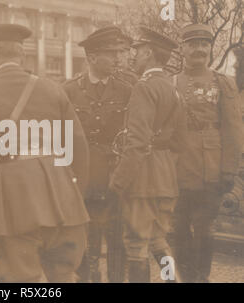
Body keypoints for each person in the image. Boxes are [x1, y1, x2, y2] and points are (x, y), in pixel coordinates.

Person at [0, 23, 90, 282]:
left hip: (13, 203)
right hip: (63, 202)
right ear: (22, 55)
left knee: (20, 281)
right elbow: (78, 150)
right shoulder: (53, 89)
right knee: (64, 278)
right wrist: (73, 196)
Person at [108, 27, 188, 282]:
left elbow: (138, 143)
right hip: (165, 178)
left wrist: (118, 181)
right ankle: (173, 281)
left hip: (143, 179)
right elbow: (180, 141)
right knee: (157, 239)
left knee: (136, 245)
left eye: (139, 51)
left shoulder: (144, 87)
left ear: (150, 53)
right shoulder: (172, 88)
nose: (134, 56)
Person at [64, 26, 135, 283]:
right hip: (82, 180)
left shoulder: (128, 90)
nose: (119, 58)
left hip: (115, 179)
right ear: (92, 57)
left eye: (121, 52)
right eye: (111, 53)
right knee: (84, 242)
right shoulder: (69, 91)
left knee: (118, 243)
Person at [172, 24, 243, 283]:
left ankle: (201, 278)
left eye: (204, 44)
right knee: (176, 229)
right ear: (182, 49)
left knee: (204, 230)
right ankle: (185, 278)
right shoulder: (170, 83)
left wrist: (228, 170)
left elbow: (233, 131)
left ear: (210, 48)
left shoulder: (222, 83)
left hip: (209, 171)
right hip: (177, 170)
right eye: (193, 44)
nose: (199, 49)